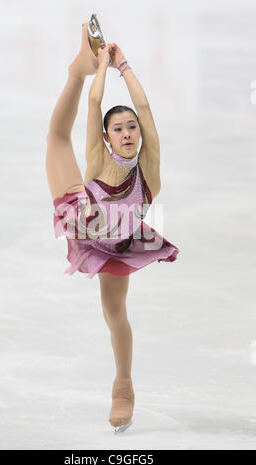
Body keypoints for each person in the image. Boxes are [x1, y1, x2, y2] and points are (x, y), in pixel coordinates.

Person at [45, 21, 179, 433]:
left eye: (131, 127)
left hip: (118, 245)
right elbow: (95, 104)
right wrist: (100, 66)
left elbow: (147, 110)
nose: (126, 132)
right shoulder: (100, 159)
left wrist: (124, 65)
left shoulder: (148, 172)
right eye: (117, 129)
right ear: (106, 137)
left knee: (115, 314)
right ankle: (78, 68)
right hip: (82, 217)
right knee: (56, 139)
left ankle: (123, 386)